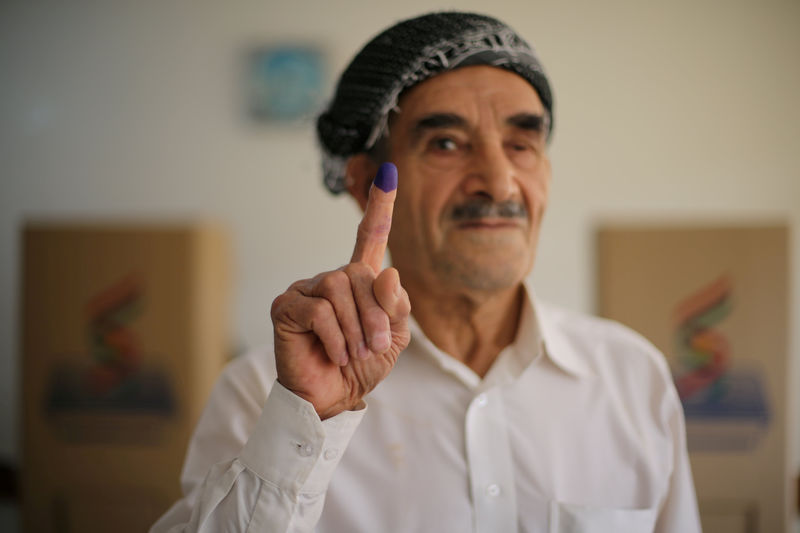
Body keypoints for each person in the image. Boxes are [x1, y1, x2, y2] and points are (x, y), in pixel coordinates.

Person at [152, 11, 701, 533]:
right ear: (365, 182)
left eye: (521, 144)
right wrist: (310, 421)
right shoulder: (268, 392)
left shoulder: (632, 379)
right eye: (446, 143)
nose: (500, 183)